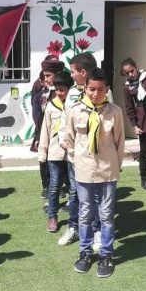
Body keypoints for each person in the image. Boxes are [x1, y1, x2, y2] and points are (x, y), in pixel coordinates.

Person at [65, 67, 125, 278]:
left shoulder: (115, 112)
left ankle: (106, 254)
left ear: (107, 89)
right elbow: (69, 139)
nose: (96, 93)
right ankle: (85, 252)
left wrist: (116, 166)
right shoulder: (75, 110)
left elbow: (119, 142)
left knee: (106, 215)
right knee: (85, 214)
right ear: (85, 88)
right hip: (84, 170)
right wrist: (77, 161)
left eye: (100, 89)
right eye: (91, 89)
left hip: (108, 171)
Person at [58, 52, 101, 248]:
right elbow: (65, 117)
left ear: (83, 72)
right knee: (75, 193)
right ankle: (74, 227)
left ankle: (97, 230)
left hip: (95, 154)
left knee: (97, 194)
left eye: (73, 71)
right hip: (74, 154)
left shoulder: (102, 90)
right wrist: (62, 139)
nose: (71, 75)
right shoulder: (73, 92)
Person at [37, 70, 73, 233]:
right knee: (54, 185)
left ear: (69, 89)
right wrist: (42, 153)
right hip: (55, 153)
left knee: (74, 186)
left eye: (62, 90)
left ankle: (75, 217)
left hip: (72, 153)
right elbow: (45, 130)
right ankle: (52, 216)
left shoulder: (75, 105)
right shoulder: (51, 106)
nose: (59, 93)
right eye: (57, 89)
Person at [121, 58, 146, 191]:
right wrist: (134, 125)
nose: (130, 74)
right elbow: (129, 107)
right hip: (142, 119)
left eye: (132, 71)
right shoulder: (127, 86)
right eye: (127, 73)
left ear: (136, 67)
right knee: (145, 151)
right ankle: (144, 179)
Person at [32, 57, 65, 202]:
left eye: (48, 75)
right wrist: (38, 136)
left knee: (60, 162)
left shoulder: (65, 93)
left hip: (60, 136)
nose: (45, 79)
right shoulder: (42, 92)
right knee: (43, 159)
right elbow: (37, 115)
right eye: (44, 76)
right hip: (43, 132)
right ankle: (46, 186)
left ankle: (59, 187)